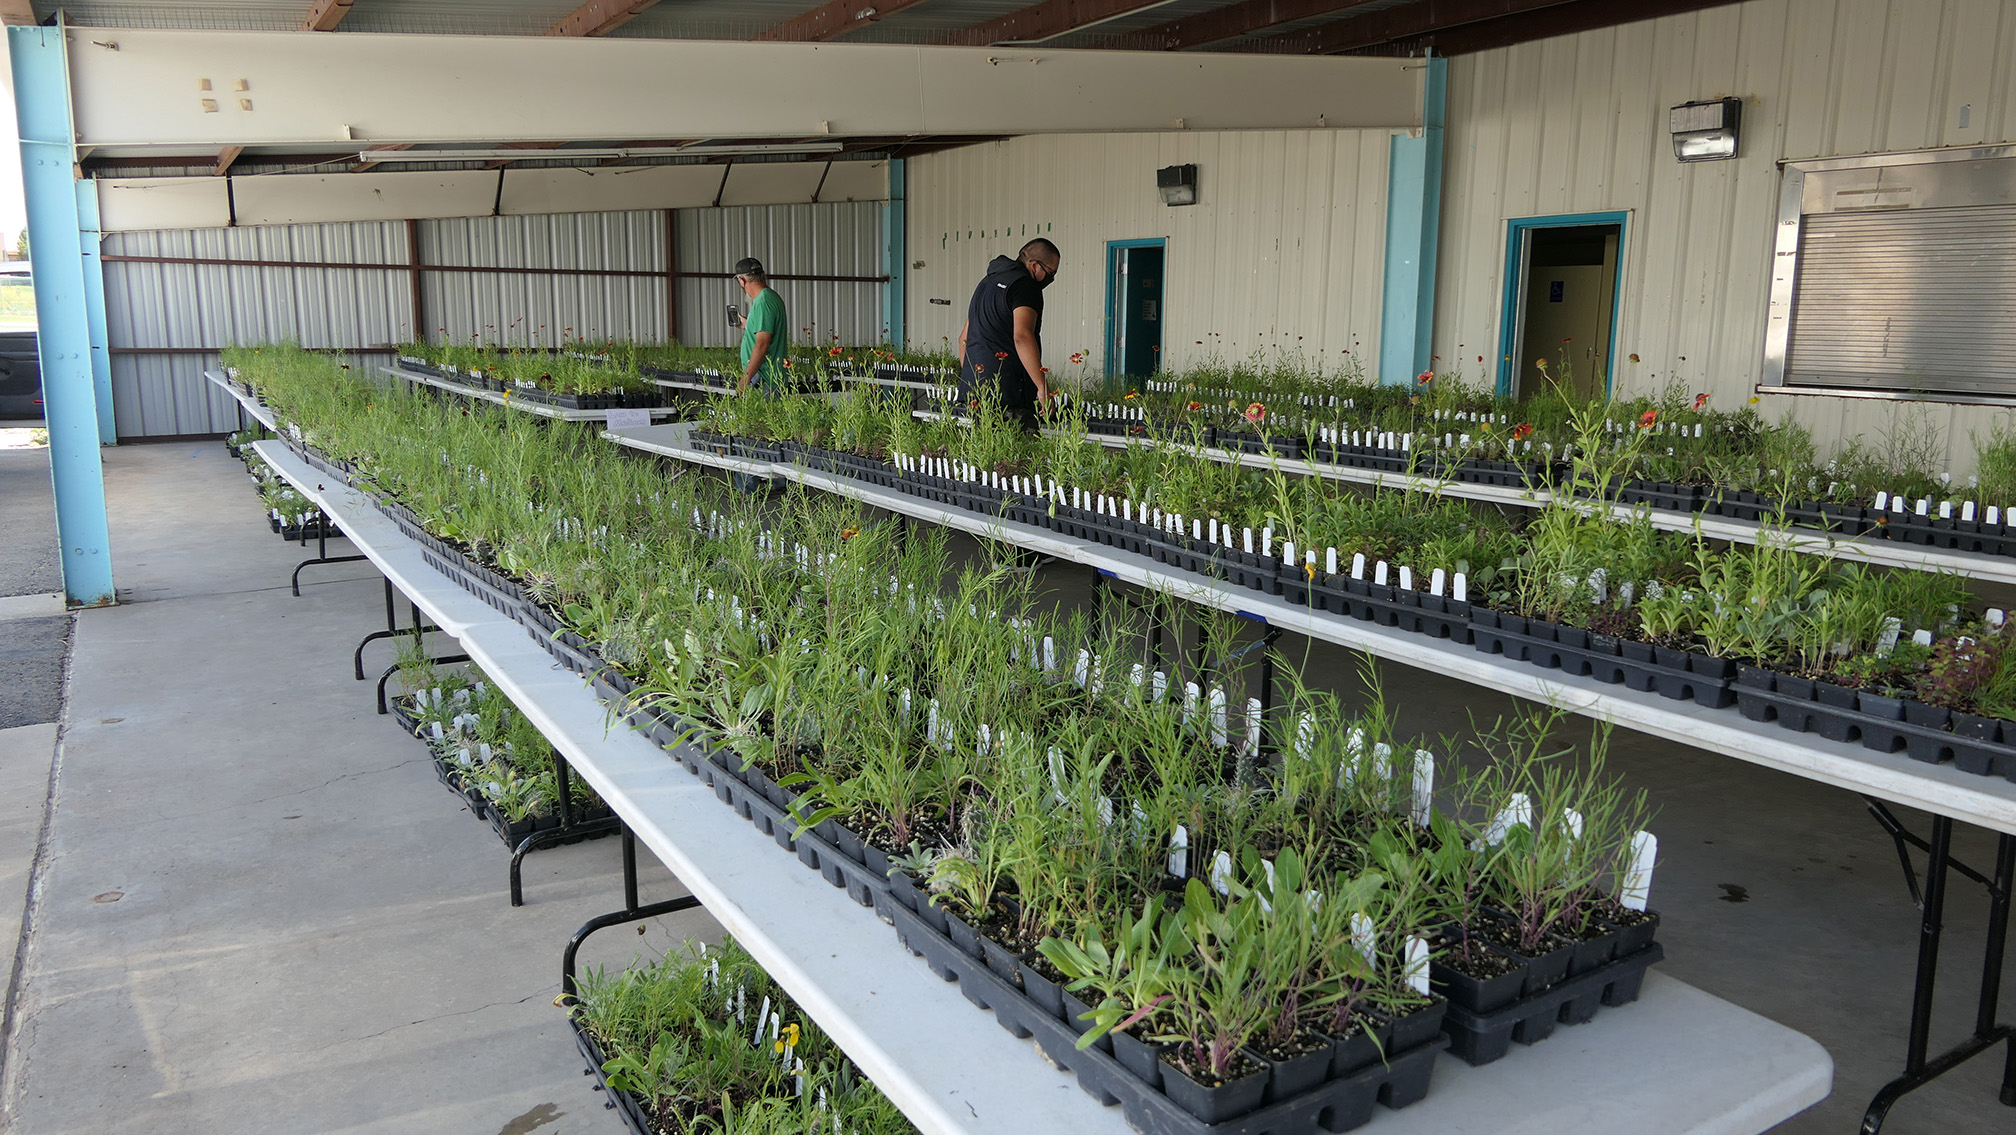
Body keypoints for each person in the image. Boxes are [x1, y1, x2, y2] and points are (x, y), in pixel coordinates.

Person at [958, 238, 1059, 431]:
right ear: (1035, 265)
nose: (1051, 279)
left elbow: (964, 338)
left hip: (976, 394)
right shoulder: (1025, 286)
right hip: (1009, 395)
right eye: (1051, 273)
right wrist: (1042, 388)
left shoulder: (986, 283)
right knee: (1015, 458)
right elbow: (1022, 336)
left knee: (986, 456)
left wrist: (974, 379)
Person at [733, 256, 790, 395]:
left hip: (766, 382)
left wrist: (745, 380)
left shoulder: (763, 302)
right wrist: (748, 325)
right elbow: (766, 331)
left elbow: (762, 344)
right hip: (767, 380)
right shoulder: (769, 297)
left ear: (742, 280)